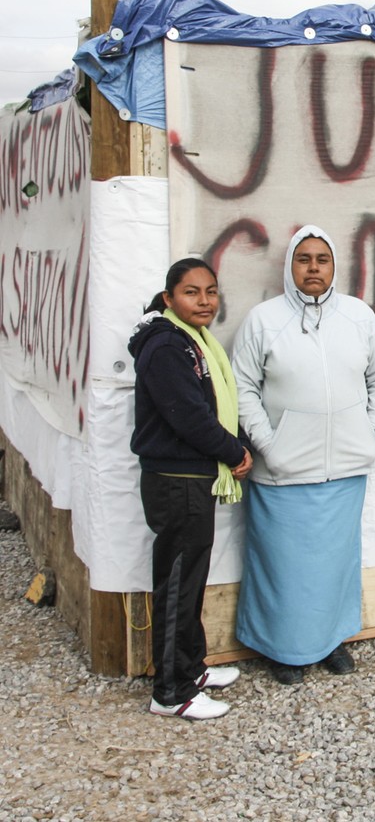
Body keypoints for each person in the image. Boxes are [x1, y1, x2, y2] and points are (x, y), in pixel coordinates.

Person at [231, 225, 375, 684]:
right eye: (303, 259)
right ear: (290, 266)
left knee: (335, 562)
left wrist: (370, 431)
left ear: (333, 266)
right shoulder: (263, 319)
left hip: (346, 465)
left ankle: (331, 641)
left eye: (321, 259)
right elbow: (241, 386)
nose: (313, 268)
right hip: (283, 469)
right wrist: (268, 443)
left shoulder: (358, 316)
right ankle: (283, 650)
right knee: (283, 566)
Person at [129, 258, 253, 720]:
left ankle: (191, 667)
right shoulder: (165, 345)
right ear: (169, 299)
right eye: (191, 293)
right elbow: (188, 414)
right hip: (176, 479)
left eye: (210, 292)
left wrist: (231, 443)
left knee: (191, 578)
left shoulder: (193, 341)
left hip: (191, 478)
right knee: (178, 584)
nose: (203, 301)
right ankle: (171, 691)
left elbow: (210, 402)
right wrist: (234, 450)